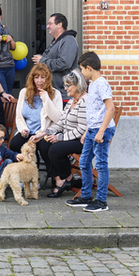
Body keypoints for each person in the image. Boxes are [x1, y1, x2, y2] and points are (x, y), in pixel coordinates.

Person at [67, 52, 116, 212]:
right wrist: (88, 130)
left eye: (82, 69)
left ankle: (101, 201)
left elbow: (110, 109)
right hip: (92, 130)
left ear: (89, 68)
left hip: (102, 130)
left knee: (101, 165)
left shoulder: (101, 84)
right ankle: (86, 196)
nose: (81, 73)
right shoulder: (93, 84)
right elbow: (95, 111)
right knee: (84, 162)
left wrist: (101, 131)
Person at [40, 70, 88, 198]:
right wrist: (46, 133)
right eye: (65, 85)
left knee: (55, 149)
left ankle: (65, 179)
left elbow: (82, 129)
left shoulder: (85, 101)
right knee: (43, 144)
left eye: (68, 85)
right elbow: (61, 123)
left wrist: (59, 138)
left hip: (81, 140)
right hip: (68, 137)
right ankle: (64, 179)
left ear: (78, 85)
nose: (65, 88)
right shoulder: (72, 101)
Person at [9, 64, 63, 172]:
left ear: (47, 79)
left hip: (44, 132)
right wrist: (23, 129)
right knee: (14, 144)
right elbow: (19, 116)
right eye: (36, 77)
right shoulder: (24, 92)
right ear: (32, 78)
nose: (39, 81)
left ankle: (54, 176)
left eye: (43, 77)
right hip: (28, 131)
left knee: (45, 147)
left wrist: (46, 99)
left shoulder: (55, 94)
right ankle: (26, 173)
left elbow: (57, 119)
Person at [32, 13, 79, 98]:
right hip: (53, 92)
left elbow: (64, 63)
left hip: (63, 94)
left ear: (59, 25)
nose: (47, 27)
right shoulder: (55, 42)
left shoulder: (69, 40)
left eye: (50, 23)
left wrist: (42, 61)